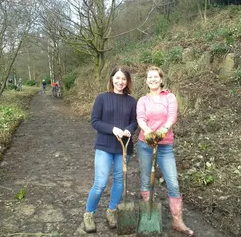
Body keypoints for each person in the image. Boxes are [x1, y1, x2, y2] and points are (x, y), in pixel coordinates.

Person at [136, 66, 195, 236]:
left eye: (156, 77)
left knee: (173, 183)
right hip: (145, 145)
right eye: (150, 77)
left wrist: (163, 130)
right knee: (147, 180)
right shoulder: (143, 100)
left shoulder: (170, 97)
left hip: (165, 146)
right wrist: (147, 131)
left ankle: (178, 221)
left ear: (161, 79)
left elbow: (172, 116)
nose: (153, 79)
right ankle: (148, 215)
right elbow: (140, 117)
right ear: (146, 81)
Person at [83, 67, 137, 233]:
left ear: (127, 82)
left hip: (124, 147)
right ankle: (89, 214)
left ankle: (112, 211)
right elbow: (95, 121)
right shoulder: (102, 98)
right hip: (105, 146)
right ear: (112, 78)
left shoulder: (132, 101)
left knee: (119, 181)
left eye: (124, 79)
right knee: (100, 183)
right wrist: (113, 129)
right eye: (117, 78)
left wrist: (129, 129)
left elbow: (135, 121)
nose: (120, 82)